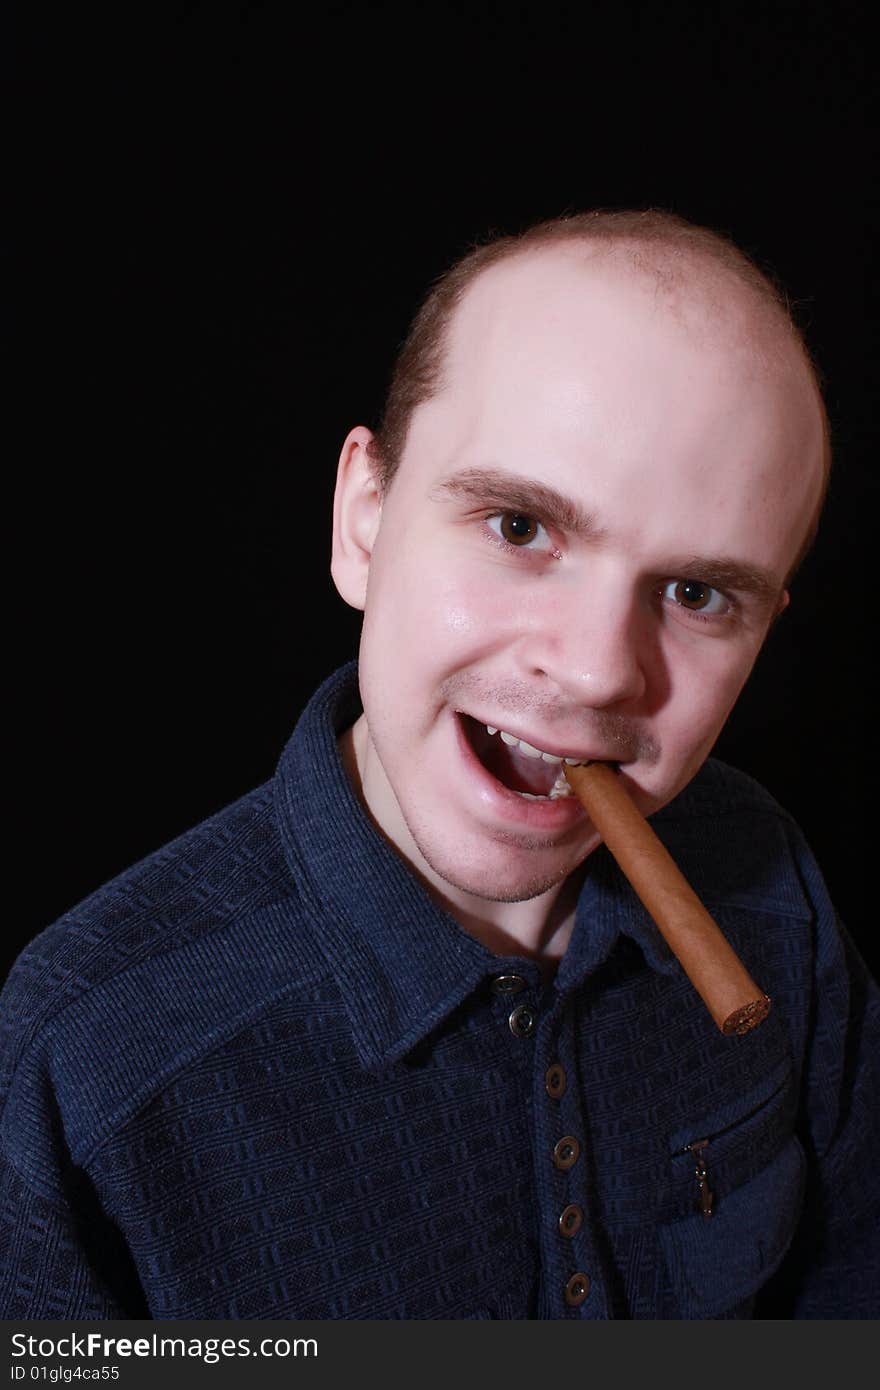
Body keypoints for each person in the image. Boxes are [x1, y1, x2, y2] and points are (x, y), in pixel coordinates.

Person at [1, 210, 877, 1320]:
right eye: (518, 526)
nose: (601, 671)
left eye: (697, 594)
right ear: (364, 520)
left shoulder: (767, 883)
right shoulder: (86, 1058)